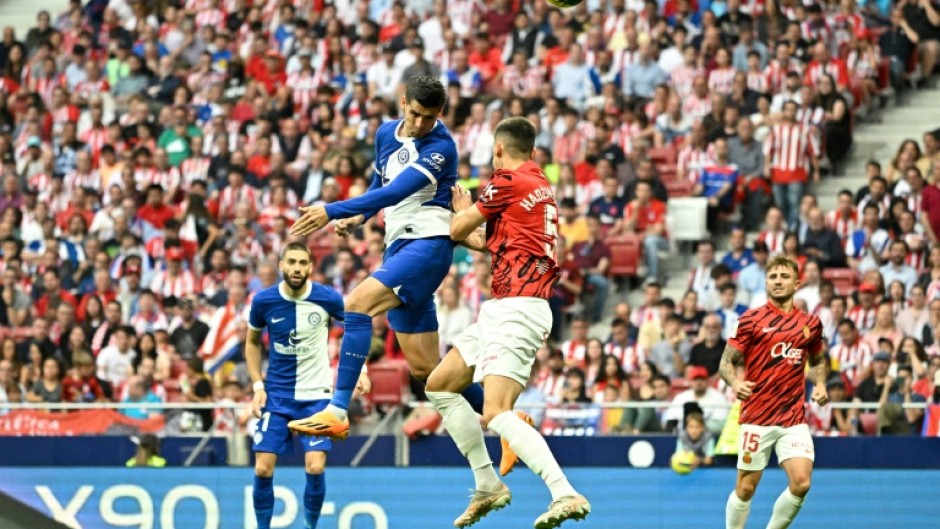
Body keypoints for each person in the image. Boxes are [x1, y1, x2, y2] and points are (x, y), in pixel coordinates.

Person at [288, 76, 486, 438]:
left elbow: (396, 192)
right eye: (415, 114)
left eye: (430, 117)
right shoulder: (385, 134)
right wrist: (358, 216)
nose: (421, 123)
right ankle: (503, 417)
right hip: (399, 246)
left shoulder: (441, 146)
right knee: (429, 372)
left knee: (357, 305)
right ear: (402, 101)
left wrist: (330, 210)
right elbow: (380, 184)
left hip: (427, 244)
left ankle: (337, 409)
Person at [422, 117, 590, 529]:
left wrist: (460, 210)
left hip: (520, 305)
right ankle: (487, 484)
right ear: (533, 152)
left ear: (498, 149)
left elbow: (461, 227)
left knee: (496, 409)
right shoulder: (538, 186)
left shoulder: (507, 180)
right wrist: (463, 228)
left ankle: (564, 492)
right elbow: (486, 242)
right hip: (503, 306)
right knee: (440, 385)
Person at [246, 242, 362, 529]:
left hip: (318, 399)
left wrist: (362, 368)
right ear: (282, 265)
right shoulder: (263, 301)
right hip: (276, 397)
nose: (297, 268)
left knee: (315, 466)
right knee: (262, 469)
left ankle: (310, 526)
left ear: (310, 267)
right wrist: (257, 387)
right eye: (292, 262)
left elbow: (356, 328)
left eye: (303, 263)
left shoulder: (328, 298)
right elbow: (251, 343)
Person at [719, 255, 828, 529]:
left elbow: (816, 361)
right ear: (766, 282)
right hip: (757, 417)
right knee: (746, 488)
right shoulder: (751, 320)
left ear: (797, 283)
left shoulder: (811, 324)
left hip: (792, 419)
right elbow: (725, 363)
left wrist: (821, 384)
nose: (778, 282)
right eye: (773, 277)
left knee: (802, 483)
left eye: (784, 277)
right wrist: (735, 383)